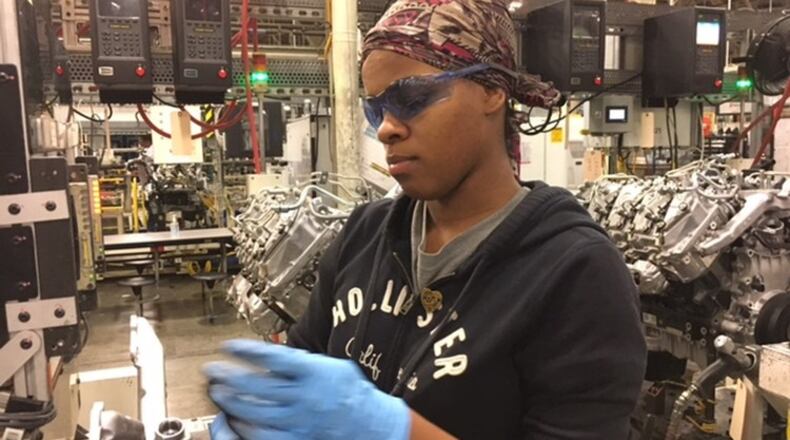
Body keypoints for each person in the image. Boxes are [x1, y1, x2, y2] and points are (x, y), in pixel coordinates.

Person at [203, 0, 647, 438]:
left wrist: (395, 430)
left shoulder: (576, 273)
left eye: (412, 97)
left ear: (493, 90)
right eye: (376, 108)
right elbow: (302, 368)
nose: (386, 129)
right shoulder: (365, 234)